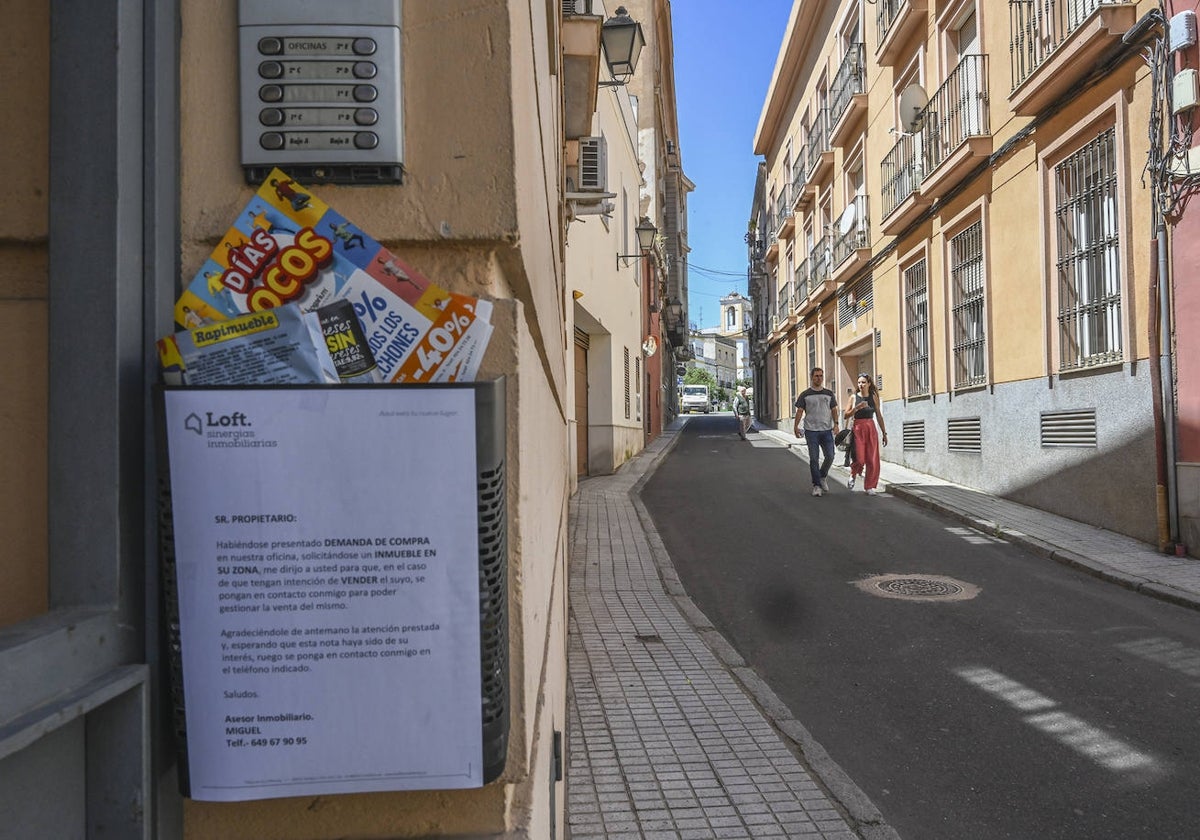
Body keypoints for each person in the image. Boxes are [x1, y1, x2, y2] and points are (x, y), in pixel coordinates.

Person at [793, 367, 840, 496]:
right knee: (814, 459)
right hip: (811, 431)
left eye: (821, 376)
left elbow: (834, 410)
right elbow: (800, 411)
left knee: (830, 456)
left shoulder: (829, 394)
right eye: (816, 376)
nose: (819, 378)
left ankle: (822, 476)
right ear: (811, 377)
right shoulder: (805, 394)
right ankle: (817, 485)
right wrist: (796, 426)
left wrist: (836, 424)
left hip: (826, 430)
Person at [843, 373, 888, 495]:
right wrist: (856, 408)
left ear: (868, 384)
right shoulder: (853, 397)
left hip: (871, 428)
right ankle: (853, 474)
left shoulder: (873, 396)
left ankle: (869, 486)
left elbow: (878, 415)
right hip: (858, 428)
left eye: (863, 382)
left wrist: (884, 433)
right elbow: (845, 415)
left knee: (872, 459)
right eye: (859, 383)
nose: (861, 385)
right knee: (860, 458)